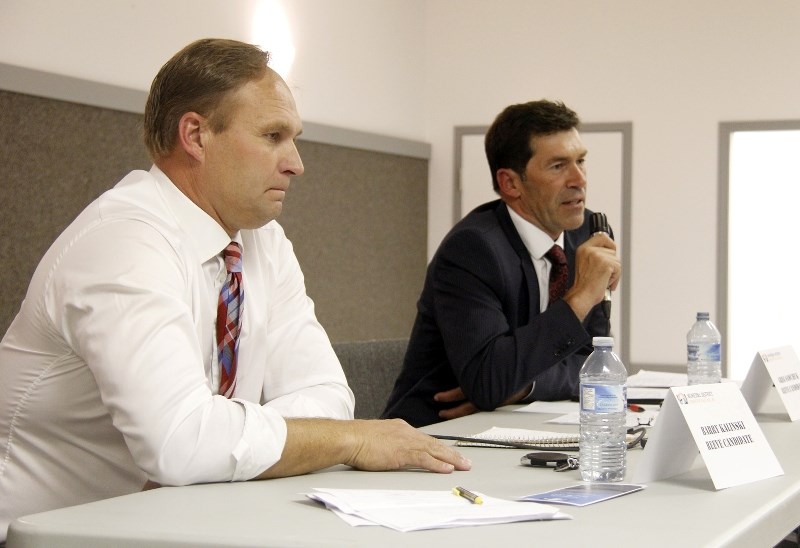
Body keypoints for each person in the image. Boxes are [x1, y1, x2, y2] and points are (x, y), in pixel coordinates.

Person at [0, 38, 470, 541]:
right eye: (273, 135)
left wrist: (228, 438)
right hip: (51, 534)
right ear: (196, 136)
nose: (296, 163)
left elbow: (327, 394)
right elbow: (178, 442)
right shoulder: (124, 240)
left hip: (190, 523)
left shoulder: (261, 240)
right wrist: (347, 442)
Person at [382, 100, 621, 427]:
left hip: (516, 426)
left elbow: (596, 366)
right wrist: (580, 297)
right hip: (433, 436)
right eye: (557, 166)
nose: (579, 179)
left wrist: (524, 387)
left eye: (581, 161)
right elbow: (489, 382)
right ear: (511, 184)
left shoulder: (587, 234)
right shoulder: (473, 249)